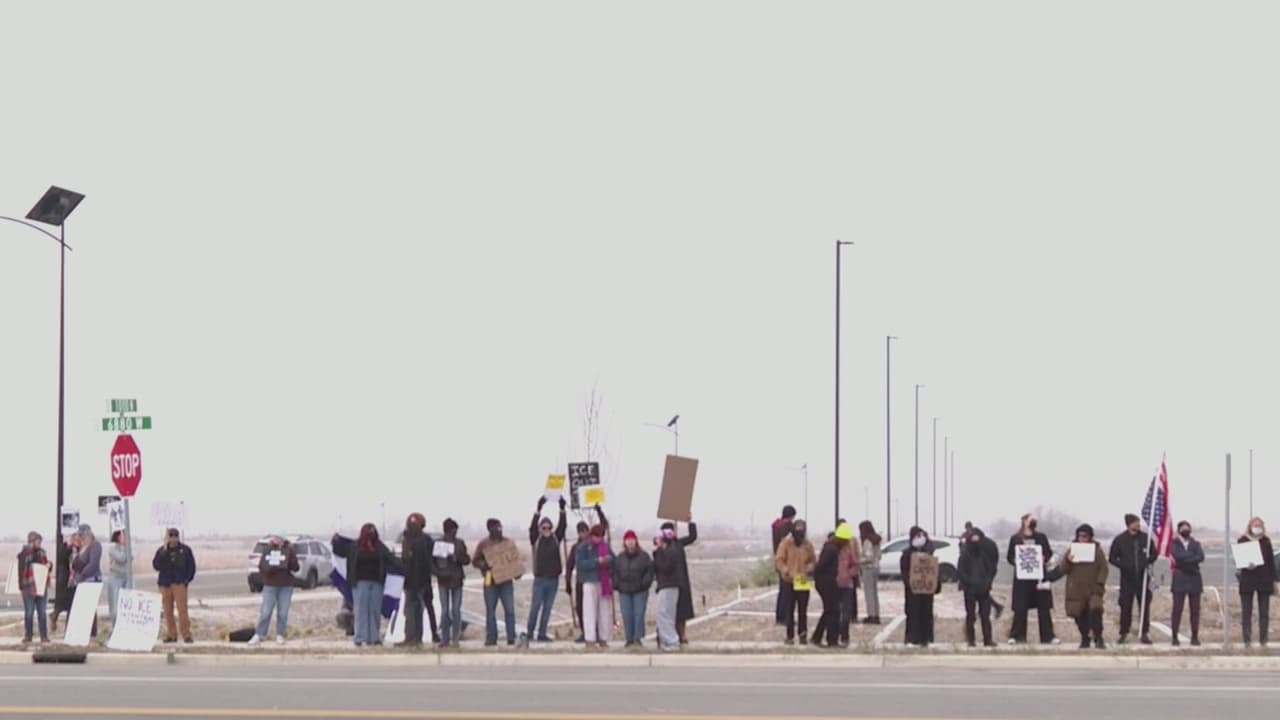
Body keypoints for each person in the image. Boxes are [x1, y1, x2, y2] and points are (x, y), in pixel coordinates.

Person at [332, 523, 400, 647]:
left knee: (374, 611)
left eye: (373, 531)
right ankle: (360, 638)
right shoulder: (354, 546)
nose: (371, 534)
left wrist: (406, 567)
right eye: (369, 531)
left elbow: (391, 559)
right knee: (361, 611)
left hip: (377, 583)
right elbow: (340, 551)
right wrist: (336, 541)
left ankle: (374, 638)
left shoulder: (380, 547)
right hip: (359, 583)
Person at [1006, 513, 1056, 645]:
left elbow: (1048, 553)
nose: (1032, 521)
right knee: (1020, 608)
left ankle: (1048, 637)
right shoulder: (1016, 538)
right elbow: (1010, 556)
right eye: (1029, 519)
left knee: (1044, 608)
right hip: (1022, 578)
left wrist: (1045, 558)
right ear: (1023, 521)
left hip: (1039, 577)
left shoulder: (1041, 537)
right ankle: (1017, 636)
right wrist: (1016, 561)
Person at [1108, 513, 1156, 645]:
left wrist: (1147, 561)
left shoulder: (1145, 538)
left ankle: (1144, 632)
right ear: (1129, 524)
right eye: (1135, 522)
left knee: (1144, 606)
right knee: (1125, 606)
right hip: (1127, 579)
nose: (1138, 525)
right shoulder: (1120, 540)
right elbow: (1112, 558)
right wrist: (1123, 565)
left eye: (1138, 522)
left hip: (1143, 578)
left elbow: (1154, 554)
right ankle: (1124, 633)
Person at [527, 497, 568, 643]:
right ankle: (530, 632)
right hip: (539, 580)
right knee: (535, 607)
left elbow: (562, 527)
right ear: (540, 529)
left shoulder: (556, 539)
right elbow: (531, 528)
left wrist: (562, 509)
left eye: (549, 527)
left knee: (547, 609)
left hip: (553, 580)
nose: (546, 530)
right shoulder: (535, 539)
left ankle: (542, 634)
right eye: (543, 528)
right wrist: (538, 509)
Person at [473, 518, 520, 647]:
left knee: (510, 610)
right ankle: (491, 637)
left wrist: (517, 572)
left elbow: (515, 560)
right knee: (490, 611)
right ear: (490, 529)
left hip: (506, 581)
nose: (499, 530)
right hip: (490, 580)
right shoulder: (484, 544)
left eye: (500, 528)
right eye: (496, 528)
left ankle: (511, 637)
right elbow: (475, 561)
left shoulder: (508, 542)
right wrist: (485, 564)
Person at [565, 505, 608, 642]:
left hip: (596, 579)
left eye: (585, 531)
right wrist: (567, 583)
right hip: (581, 581)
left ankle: (596, 632)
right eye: (580, 532)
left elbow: (603, 526)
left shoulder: (596, 544)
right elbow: (570, 566)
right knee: (581, 608)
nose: (583, 534)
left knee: (596, 608)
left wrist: (599, 511)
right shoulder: (576, 547)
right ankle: (586, 632)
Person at [1062, 524, 1107, 650]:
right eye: (1080, 536)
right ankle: (1084, 638)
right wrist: (1068, 560)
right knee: (1079, 615)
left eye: (1085, 536)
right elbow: (1063, 569)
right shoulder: (1072, 549)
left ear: (1090, 537)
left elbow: (1104, 568)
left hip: (1093, 589)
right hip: (1076, 589)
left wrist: (1100, 584)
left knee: (1095, 611)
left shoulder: (1097, 550)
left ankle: (1098, 637)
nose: (1082, 538)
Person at [249, 533, 299, 645]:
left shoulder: (289, 550)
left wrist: (289, 560)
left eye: (277, 537)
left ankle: (280, 634)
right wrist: (270, 569)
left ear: (282, 539)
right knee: (265, 611)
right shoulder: (267, 549)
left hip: (286, 586)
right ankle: (259, 634)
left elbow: (296, 567)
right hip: (270, 585)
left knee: (283, 612)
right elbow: (262, 566)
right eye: (274, 537)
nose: (274, 539)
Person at [775, 519, 816, 645]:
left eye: (802, 533)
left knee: (803, 610)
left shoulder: (808, 544)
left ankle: (803, 635)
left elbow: (813, 560)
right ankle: (790, 636)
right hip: (789, 580)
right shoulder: (786, 543)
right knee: (790, 610)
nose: (800, 535)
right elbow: (779, 560)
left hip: (803, 580)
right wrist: (786, 570)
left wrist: (810, 568)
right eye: (797, 533)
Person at [575, 524, 616, 648]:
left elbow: (614, 560)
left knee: (604, 612)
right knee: (589, 611)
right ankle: (590, 639)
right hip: (588, 582)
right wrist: (596, 561)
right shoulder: (583, 547)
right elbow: (580, 564)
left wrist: (608, 560)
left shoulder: (605, 547)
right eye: (596, 536)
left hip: (603, 582)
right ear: (591, 535)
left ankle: (603, 638)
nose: (598, 539)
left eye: (601, 536)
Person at [153, 527, 197, 644]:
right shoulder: (162, 551)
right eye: (170, 537)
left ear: (178, 537)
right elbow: (156, 565)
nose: (173, 539)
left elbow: (191, 566)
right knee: (168, 611)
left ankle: (186, 634)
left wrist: (186, 580)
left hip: (179, 583)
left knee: (182, 610)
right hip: (165, 584)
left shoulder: (185, 550)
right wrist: (164, 550)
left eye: (175, 536)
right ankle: (171, 634)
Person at [1237, 516, 1276, 648]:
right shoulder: (1242, 540)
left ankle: (1263, 640)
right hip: (1247, 580)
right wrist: (1245, 564)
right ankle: (1247, 640)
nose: (1257, 527)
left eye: (1259, 525)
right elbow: (1238, 560)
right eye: (1255, 525)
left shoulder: (1266, 541)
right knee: (1246, 612)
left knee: (1264, 613)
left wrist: (1275, 580)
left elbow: (1271, 562)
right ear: (1250, 526)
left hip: (1264, 580)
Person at [398, 513, 436, 648]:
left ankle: (414, 637)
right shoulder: (407, 540)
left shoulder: (425, 540)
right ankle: (411, 637)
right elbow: (405, 560)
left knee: (415, 609)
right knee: (411, 610)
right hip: (410, 580)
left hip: (420, 581)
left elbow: (427, 562)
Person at [957, 526, 998, 647]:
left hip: (983, 589)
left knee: (985, 616)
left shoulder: (984, 555)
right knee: (970, 615)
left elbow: (992, 569)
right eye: (973, 539)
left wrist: (987, 582)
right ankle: (971, 640)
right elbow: (961, 572)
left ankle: (988, 640)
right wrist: (968, 583)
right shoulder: (964, 556)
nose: (975, 542)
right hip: (970, 590)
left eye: (977, 539)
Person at [433, 518, 470, 649]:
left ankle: (455, 639)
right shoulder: (438, 543)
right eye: (453, 531)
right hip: (443, 580)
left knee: (456, 611)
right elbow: (432, 562)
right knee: (444, 611)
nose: (454, 534)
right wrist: (437, 572)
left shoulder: (460, 543)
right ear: (447, 531)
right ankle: (445, 638)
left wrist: (458, 558)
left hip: (457, 580)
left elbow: (467, 560)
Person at [660, 518, 698, 643]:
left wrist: (690, 521)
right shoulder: (662, 547)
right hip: (668, 583)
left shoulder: (679, 543)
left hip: (682, 581)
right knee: (669, 612)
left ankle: (682, 635)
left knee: (682, 610)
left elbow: (693, 537)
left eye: (671, 531)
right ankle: (670, 636)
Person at [615, 530, 655, 648]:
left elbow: (649, 572)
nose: (630, 542)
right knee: (627, 615)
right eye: (628, 540)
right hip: (624, 591)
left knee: (638, 614)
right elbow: (615, 572)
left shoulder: (644, 556)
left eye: (632, 540)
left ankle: (638, 638)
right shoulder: (620, 557)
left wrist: (645, 584)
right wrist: (617, 584)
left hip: (640, 590)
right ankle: (629, 639)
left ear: (636, 541)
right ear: (625, 542)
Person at [900, 526, 938, 647]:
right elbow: (904, 571)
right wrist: (910, 582)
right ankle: (912, 638)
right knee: (912, 613)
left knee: (926, 613)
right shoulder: (907, 554)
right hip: (912, 591)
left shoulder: (930, 552)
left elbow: (934, 570)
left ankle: (926, 638)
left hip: (927, 591)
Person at [810, 525, 845, 648]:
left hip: (827, 582)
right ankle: (831, 640)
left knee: (830, 610)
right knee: (833, 611)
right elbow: (821, 565)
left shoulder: (831, 547)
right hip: (826, 583)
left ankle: (818, 637)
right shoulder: (832, 549)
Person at [1169, 521, 1204, 647]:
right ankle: (1174, 637)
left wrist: (1185, 559)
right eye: (1183, 528)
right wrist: (1190, 557)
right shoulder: (1174, 543)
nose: (1186, 530)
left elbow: (1200, 557)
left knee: (1195, 610)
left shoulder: (1196, 544)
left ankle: (1194, 637)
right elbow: (1177, 556)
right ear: (1179, 530)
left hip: (1194, 578)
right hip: (1180, 578)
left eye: (1187, 528)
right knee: (1177, 610)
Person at [17, 532, 52, 644]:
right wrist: (21, 587)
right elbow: (21, 570)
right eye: (38, 541)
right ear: (32, 541)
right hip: (28, 587)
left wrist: (50, 565)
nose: (39, 543)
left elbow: (46, 567)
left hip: (41, 587)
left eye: (40, 541)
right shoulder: (24, 554)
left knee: (42, 612)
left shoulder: (42, 553)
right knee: (29, 612)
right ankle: (28, 635)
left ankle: (44, 636)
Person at [70, 524, 103, 639]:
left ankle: (92, 633)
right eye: (79, 534)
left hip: (92, 579)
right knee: (83, 608)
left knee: (90, 608)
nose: (80, 536)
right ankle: (84, 632)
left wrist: (82, 574)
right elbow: (75, 564)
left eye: (82, 534)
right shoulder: (82, 547)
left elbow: (93, 564)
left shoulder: (95, 545)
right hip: (82, 581)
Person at [653, 532, 681, 651]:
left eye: (658, 539)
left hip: (669, 586)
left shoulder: (670, 552)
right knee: (665, 614)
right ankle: (667, 640)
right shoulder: (667, 552)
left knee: (663, 613)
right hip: (665, 585)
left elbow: (664, 567)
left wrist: (658, 552)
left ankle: (671, 640)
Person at [771, 505, 798, 625]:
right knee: (787, 591)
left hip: (779, 560)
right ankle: (785, 617)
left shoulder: (777, 526)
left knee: (783, 591)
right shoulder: (786, 527)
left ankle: (781, 616)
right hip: (788, 562)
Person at [835, 522, 859, 646]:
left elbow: (855, 564)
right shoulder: (832, 548)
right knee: (835, 612)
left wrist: (849, 574)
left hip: (847, 585)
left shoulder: (849, 548)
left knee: (846, 613)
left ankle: (845, 637)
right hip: (834, 585)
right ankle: (834, 636)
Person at [858, 521, 882, 624]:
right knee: (874, 593)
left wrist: (859, 560)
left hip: (868, 568)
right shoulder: (876, 540)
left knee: (869, 593)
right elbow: (878, 555)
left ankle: (871, 615)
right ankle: (876, 614)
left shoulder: (868, 541)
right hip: (876, 567)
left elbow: (868, 557)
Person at [105, 530, 129, 629]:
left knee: (125, 604)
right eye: (123, 536)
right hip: (115, 577)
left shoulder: (127, 548)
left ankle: (124, 626)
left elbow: (131, 557)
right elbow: (121, 558)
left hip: (126, 576)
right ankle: (115, 627)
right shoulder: (112, 548)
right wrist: (124, 548)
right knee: (115, 605)